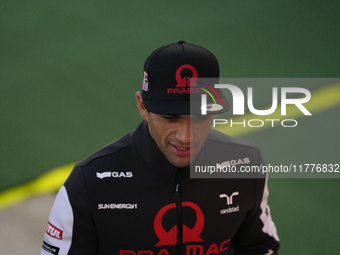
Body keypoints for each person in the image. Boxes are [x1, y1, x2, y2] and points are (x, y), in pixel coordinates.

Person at [41, 41, 279, 255]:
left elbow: (260, 247)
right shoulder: (89, 182)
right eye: (170, 118)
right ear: (142, 106)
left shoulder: (245, 163)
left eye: (199, 117)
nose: (186, 136)